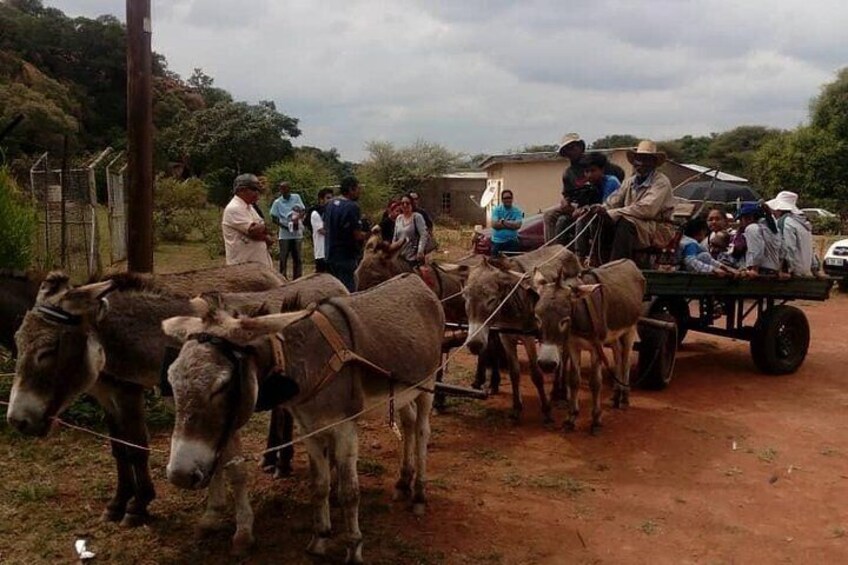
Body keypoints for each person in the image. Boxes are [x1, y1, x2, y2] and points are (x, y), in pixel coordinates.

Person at [592, 140, 676, 262]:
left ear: (653, 163)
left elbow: (647, 209)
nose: (641, 163)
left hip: (657, 228)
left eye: (646, 159)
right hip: (637, 223)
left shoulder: (661, 182)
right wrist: (601, 209)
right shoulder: (629, 182)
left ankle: (618, 266)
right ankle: (595, 261)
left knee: (625, 223)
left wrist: (613, 213)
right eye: (638, 159)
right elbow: (613, 201)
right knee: (598, 219)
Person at [543, 133, 625, 243]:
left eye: (572, 147)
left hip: (601, 202)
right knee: (549, 214)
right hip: (577, 203)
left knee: (579, 218)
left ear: (580, 147)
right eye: (567, 150)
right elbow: (567, 194)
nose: (570, 152)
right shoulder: (568, 173)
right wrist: (566, 202)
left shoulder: (595, 161)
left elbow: (619, 175)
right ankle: (552, 250)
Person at [571, 152, 621, 259]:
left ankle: (595, 257)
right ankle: (579, 256)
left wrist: (589, 210)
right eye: (586, 171)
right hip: (595, 218)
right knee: (580, 220)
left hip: (612, 219)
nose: (589, 175)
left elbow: (606, 207)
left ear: (602, 170)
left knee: (592, 222)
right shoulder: (587, 186)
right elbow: (576, 212)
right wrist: (581, 210)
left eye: (593, 171)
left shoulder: (611, 182)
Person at [324, 176, 367, 291]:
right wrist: (369, 234)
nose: (359, 192)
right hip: (345, 257)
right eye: (358, 189)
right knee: (348, 291)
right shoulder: (352, 207)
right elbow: (357, 235)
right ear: (351, 189)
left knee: (334, 289)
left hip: (330, 255)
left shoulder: (330, 204)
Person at [221, 173, 273, 267]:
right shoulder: (234, 208)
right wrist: (264, 234)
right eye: (254, 189)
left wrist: (262, 229)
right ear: (241, 190)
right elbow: (254, 231)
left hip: (256, 264)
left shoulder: (249, 207)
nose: (257, 193)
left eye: (258, 190)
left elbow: (262, 228)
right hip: (243, 267)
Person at [765, 191, 813, 277]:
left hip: (793, 272)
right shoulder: (802, 222)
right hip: (804, 269)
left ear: (780, 209)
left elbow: (788, 247)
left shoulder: (784, 222)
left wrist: (785, 270)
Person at [270, 181, 306, 279]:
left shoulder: (296, 197)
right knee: (283, 257)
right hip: (285, 233)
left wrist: (297, 218)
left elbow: (303, 210)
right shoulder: (277, 202)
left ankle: (297, 278)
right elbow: (273, 218)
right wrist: (284, 226)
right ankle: (282, 278)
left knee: (297, 257)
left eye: (286, 188)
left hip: (296, 231)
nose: (284, 191)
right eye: (282, 189)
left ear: (289, 189)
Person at [736, 202, 781, 277]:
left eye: (741, 219)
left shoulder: (752, 228)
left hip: (761, 270)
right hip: (773, 270)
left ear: (749, 218)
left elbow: (757, 250)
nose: (741, 223)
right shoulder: (772, 229)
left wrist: (754, 269)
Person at [392, 194, 430, 266]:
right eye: (402, 203)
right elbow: (395, 237)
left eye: (407, 203)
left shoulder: (417, 217)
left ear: (412, 204)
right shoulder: (399, 218)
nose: (405, 205)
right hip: (399, 256)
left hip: (413, 256)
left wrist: (420, 251)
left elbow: (423, 234)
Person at [489, 189, 523, 256]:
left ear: (512, 199)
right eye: (505, 198)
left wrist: (503, 222)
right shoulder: (497, 210)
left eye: (509, 198)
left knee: (512, 264)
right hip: (497, 242)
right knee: (495, 263)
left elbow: (518, 225)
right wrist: (511, 225)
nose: (507, 200)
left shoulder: (517, 211)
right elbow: (494, 224)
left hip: (512, 242)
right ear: (502, 200)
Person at [310, 188, 334, 273]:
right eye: (328, 198)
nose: (330, 200)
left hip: (331, 252)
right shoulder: (316, 214)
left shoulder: (331, 212)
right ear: (321, 199)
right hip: (321, 252)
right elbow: (321, 230)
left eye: (331, 198)